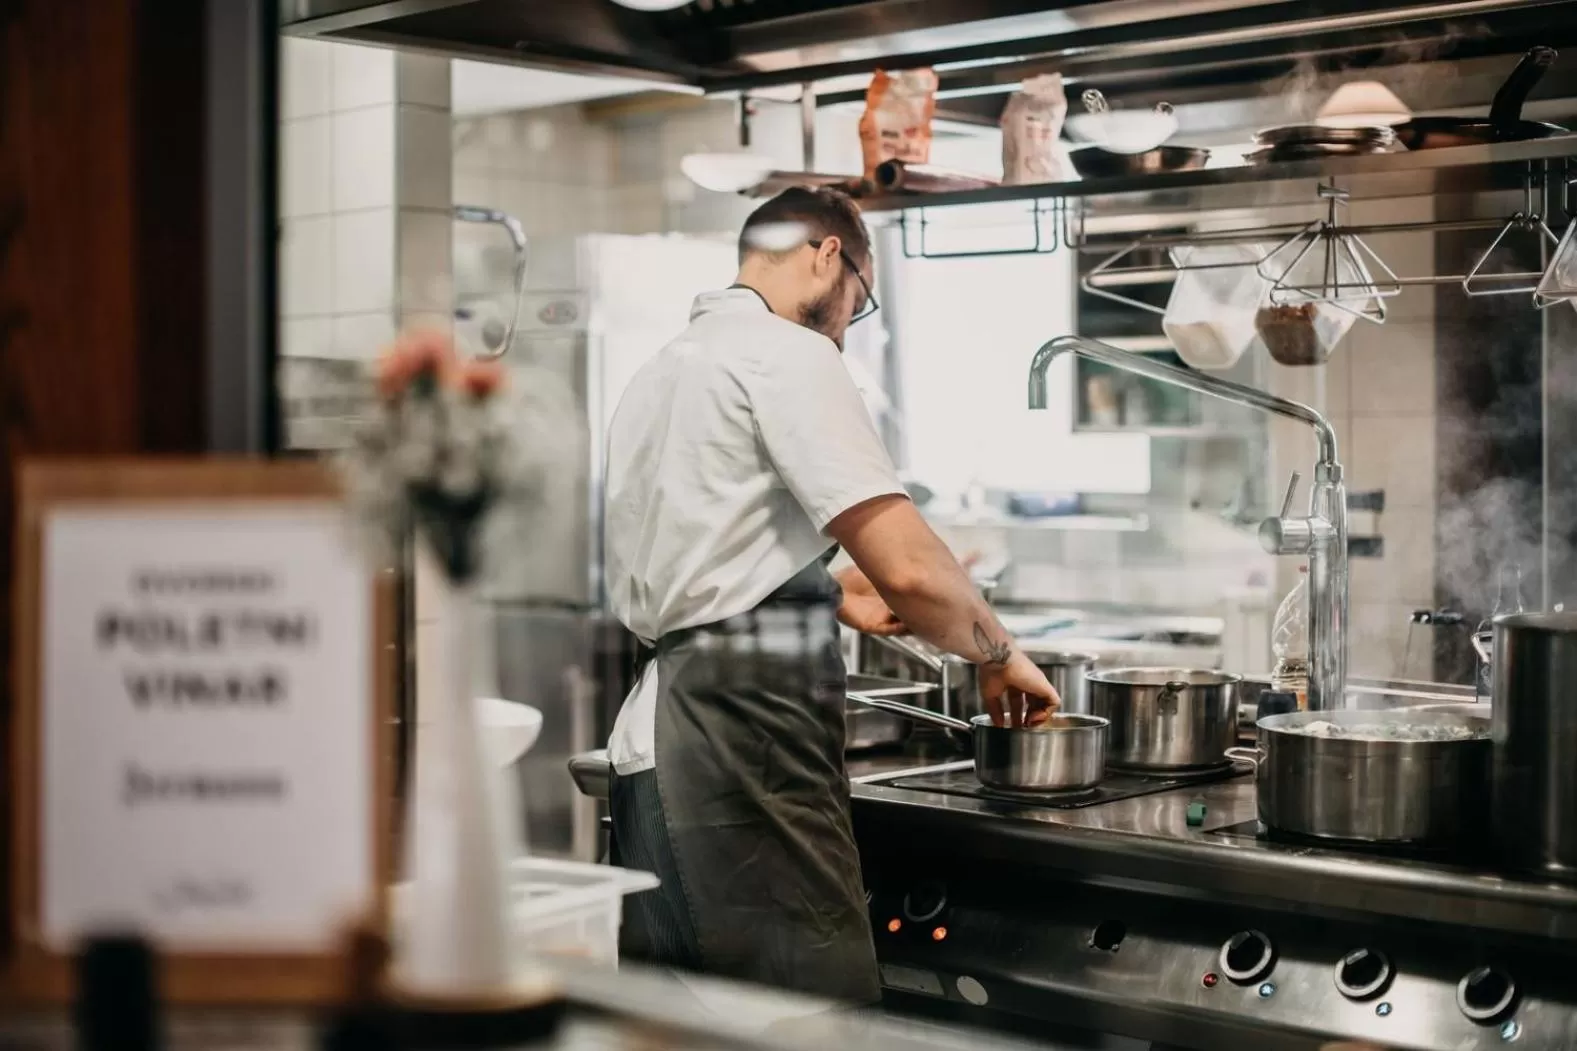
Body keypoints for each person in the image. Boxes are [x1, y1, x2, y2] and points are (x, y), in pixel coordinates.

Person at [602, 186, 1059, 1005]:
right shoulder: (789, 353)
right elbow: (913, 569)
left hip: (658, 736)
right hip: (740, 739)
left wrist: (817, 586)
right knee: (810, 1013)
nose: (849, 322)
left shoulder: (665, 366)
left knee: (677, 1018)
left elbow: (698, 550)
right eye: (859, 296)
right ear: (827, 256)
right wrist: (999, 653)